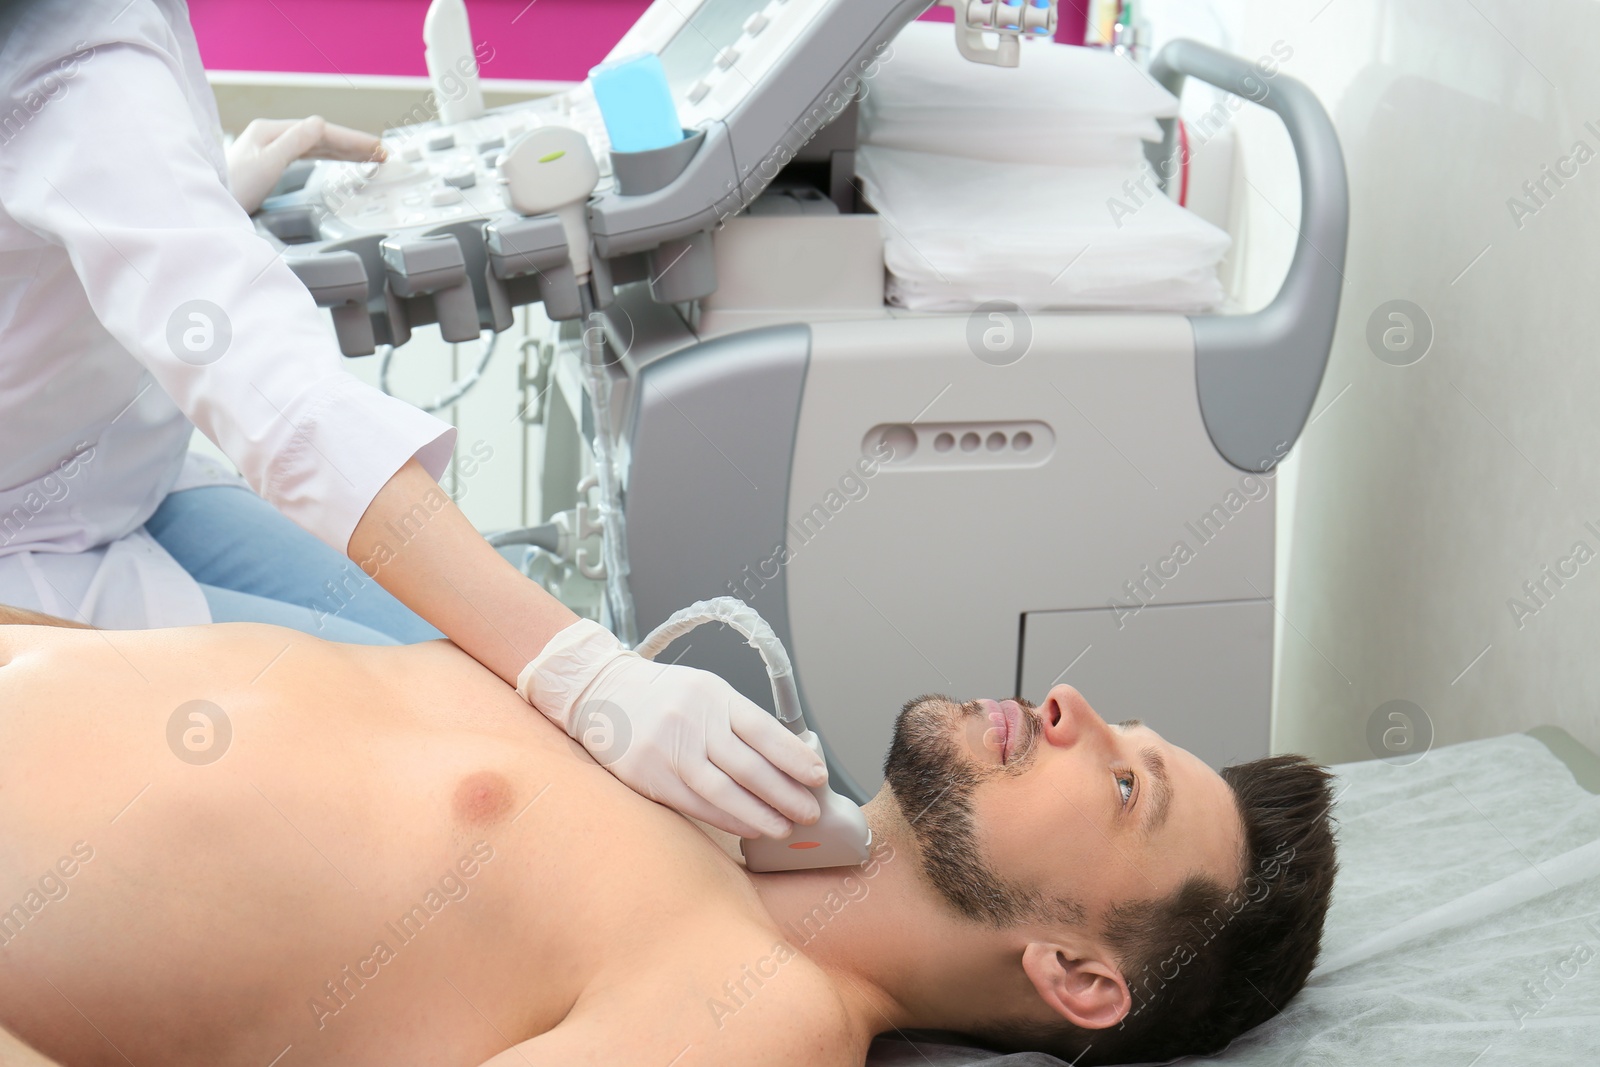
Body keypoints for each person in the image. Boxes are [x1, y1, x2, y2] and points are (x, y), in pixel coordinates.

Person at [0, 0, 827, 843]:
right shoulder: (68, 66)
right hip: (28, 547)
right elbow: (282, 406)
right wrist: (589, 674)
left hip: (111, 477)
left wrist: (190, 186)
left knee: (468, 667)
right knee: (475, 746)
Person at [0, 606, 1338, 1066]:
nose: (1072, 706)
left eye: (1122, 786)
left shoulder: (756, 1015)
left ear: (1077, 969)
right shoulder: (692, 770)